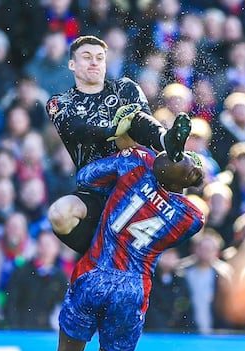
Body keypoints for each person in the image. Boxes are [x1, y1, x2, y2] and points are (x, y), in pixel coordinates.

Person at [23, 146, 204, 351]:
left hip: (93, 273)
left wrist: (144, 152)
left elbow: (86, 177)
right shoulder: (190, 217)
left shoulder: (135, 167)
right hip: (132, 288)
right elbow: (171, 184)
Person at [46, 34, 192, 255]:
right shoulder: (60, 102)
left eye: (99, 57)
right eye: (86, 57)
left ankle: (167, 141)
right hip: (95, 190)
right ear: (72, 64)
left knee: (133, 119)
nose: (94, 62)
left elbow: (141, 125)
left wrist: (126, 128)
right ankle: (100, 252)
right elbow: (77, 129)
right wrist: (113, 129)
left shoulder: (125, 87)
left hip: (136, 185)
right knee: (59, 214)